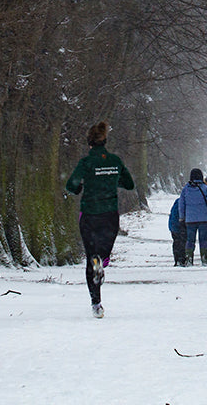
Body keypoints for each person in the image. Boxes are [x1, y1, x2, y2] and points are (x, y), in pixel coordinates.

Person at [65, 121, 135, 318]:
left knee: (91, 256)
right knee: (103, 253)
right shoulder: (115, 160)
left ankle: (96, 303)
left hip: (89, 214)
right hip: (110, 215)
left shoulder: (86, 162)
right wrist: (111, 181)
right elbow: (129, 184)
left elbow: (71, 185)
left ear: (89, 142)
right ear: (105, 141)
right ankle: (101, 261)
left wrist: (81, 187)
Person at [178, 168, 207, 266]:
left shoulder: (186, 189)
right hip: (204, 219)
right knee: (203, 240)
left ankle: (189, 258)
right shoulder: (205, 188)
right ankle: (204, 259)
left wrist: (182, 217)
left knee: (190, 240)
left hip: (190, 219)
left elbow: (181, 204)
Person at [168, 197, 186, 266]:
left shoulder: (178, 201)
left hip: (174, 225)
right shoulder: (183, 202)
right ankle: (181, 259)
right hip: (179, 225)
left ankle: (177, 259)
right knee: (181, 242)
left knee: (176, 242)